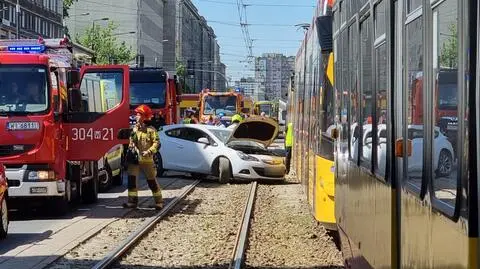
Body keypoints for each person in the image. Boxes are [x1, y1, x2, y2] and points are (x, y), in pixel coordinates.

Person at [124, 104, 163, 210]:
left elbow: (157, 144)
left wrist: (149, 152)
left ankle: (159, 202)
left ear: (144, 116)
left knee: (151, 181)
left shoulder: (151, 130)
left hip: (147, 160)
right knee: (132, 181)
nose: (136, 116)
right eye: (136, 114)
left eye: (138, 114)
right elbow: (131, 142)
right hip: (135, 160)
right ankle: (132, 202)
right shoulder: (135, 129)